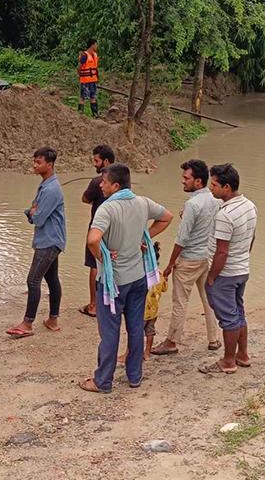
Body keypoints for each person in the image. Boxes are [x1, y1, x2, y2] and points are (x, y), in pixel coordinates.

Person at [80, 163, 173, 393]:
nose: (100, 185)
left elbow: (92, 239)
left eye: (104, 181)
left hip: (114, 282)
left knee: (110, 333)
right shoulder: (142, 203)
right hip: (137, 278)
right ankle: (134, 376)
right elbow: (167, 217)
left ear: (116, 185)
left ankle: (102, 381)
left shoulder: (106, 209)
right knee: (135, 328)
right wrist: (145, 238)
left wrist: (101, 257)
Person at [153, 159, 222, 355]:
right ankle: (214, 339)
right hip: (208, 257)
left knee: (180, 301)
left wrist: (170, 263)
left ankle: (172, 341)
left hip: (190, 259)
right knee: (208, 298)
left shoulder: (192, 204)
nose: (183, 181)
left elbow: (182, 238)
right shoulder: (216, 200)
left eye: (186, 178)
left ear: (198, 181)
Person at [199, 164, 258, 375]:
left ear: (226, 187)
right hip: (242, 270)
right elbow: (251, 238)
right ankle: (243, 355)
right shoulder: (250, 206)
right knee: (238, 313)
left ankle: (228, 361)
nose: (210, 189)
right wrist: (241, 259)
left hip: (226, 273)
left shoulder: (225, 215)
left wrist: (212, 278)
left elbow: (221, 252)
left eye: (214, 185)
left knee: (228, 318)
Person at [6, 147, 66, 337]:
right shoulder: (46, 185)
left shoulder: (51, 189)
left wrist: (32, 212)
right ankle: (53, 320)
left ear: (50, 164)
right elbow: (34, 209)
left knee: (33, 280)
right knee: (51, 279)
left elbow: (38, 217)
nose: (34, 165)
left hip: (49, 241)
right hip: (51, 239)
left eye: (38, 162)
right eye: (34, 161)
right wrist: (32, 211)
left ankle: (27, 324)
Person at [79, 144, 115, 318]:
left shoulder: (96, 182)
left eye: (96, 160)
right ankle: (110, 301)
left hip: (98, 228)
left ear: (105, 161)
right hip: (115, 228)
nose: (94, 164)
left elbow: (85, 199)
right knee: (111, 261)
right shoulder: (122, 180)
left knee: (95, 264)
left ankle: (94, 305)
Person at [117, 242, 167, 363]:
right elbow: (165, 288)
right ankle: (147, 353)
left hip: (140, 311)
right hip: (153, 311)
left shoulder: (140, 275)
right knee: (150, 332)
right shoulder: (159, 274)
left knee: (134, 332)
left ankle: (128, 354)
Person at [77, 39, 100, 117]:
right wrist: (81, 75)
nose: (96, 46)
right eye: (96, 44)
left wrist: (97, 78)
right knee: (83, 97)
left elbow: (95, 68)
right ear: (92, 45)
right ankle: (80, 114)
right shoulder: (85, 55)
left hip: (93, 80)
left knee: (93, 97)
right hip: (85, 80)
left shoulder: (95, 55)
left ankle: (95, 114)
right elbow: (79, 67)